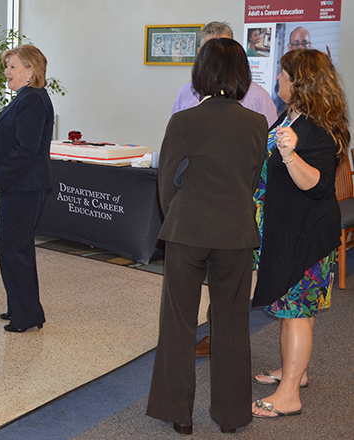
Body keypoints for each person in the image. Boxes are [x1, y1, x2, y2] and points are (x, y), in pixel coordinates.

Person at [146, 38, 267, 434]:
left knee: (178, 322)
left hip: (188, 230)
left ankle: (178, 413)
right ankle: (231, 416)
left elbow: (165, 182)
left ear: (202, 72)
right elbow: (250, 181)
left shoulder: (185, 121)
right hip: (236, 233)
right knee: (232, 325)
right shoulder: (256, 123)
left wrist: (177, 215)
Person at [251, 49, 349, 418]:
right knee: (297, 307)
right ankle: (296, 371)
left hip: (306, 232)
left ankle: (289, 394)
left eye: (284, 76)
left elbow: (319, 184)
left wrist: (291, 157)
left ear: (300, 83)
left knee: (295, 308)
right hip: (288, 223)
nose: (278, 81)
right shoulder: (294, 114)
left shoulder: (316, 128)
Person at [172, 21, 278, 358]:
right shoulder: (185, 96)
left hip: (235, 217)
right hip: (193, 217)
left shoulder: (259, 102)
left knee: (228, 299)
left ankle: (218, 336)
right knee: (183, 304)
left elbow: (263, 163)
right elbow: (174, 163)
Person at [0, 44, 53, 333]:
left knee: (12, 248)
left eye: (12, 67)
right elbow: (15, 140)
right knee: (16, 247)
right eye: (7, 66)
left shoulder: (31, 100)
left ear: (30, 71)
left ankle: (25, 315)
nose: (6, 72)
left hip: (23, 187)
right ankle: (21, 308)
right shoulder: (26, 98)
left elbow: (26, 150)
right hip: (23, 187)